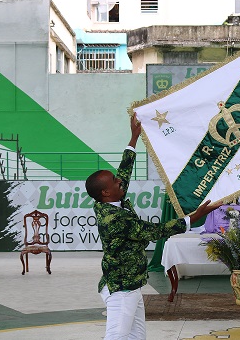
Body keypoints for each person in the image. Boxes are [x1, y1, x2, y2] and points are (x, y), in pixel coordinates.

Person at [86, 115, 220, 340]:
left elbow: (124, 175)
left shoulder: (106, 200)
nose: (120, 181)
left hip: (131, 285)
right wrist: (192, 218)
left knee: (136, 337)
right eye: (114, 181)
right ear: (106, 192)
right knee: (116, 336)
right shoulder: (114, 218)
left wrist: (133, 138)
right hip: (121, 289)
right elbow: (154, 231)